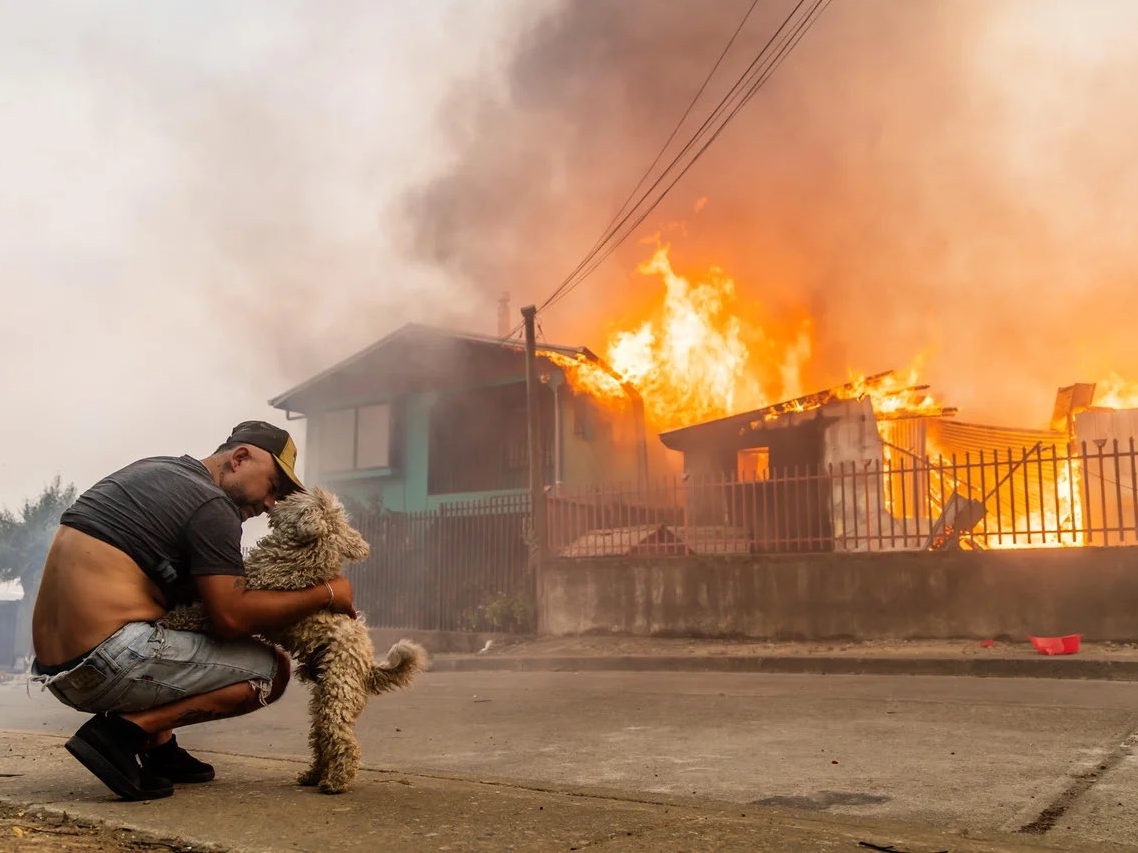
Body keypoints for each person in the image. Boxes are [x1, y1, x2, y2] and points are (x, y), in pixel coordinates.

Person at [30, 420, 356, 801]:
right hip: (108, 660)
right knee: (271, 671)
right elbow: (230, 618)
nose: (271, 504)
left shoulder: (157, 471)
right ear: (239, 458)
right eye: (273, 487)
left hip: (59, 671)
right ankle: (120, 735)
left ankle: (160, 749)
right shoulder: (212, 504)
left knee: (178, 614)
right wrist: (328, 593)